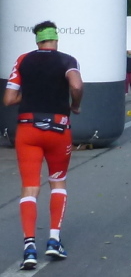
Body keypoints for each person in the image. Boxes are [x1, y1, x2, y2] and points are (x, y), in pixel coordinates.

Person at [3, 21, 83, 270]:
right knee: (57, 182)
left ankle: (29, 247)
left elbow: (9, 99)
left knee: (29, 187)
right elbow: (76, 85)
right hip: (58, 130)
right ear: (55, 39)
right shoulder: (67, 60)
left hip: (28, 130)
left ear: (37, 40)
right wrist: (75, 105)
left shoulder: (23, 60)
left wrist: (30, 95)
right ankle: (54, 240)